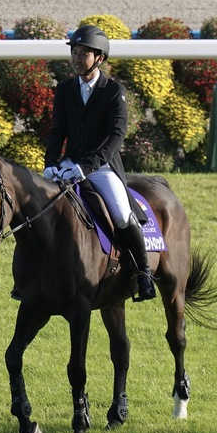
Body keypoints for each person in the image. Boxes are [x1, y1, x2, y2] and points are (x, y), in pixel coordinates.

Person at [43, 24, 155, 301]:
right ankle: (33, 275)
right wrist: (50, 163)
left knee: (120, 214)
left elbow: (116, 137)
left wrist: (87, 166)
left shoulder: (114, 92)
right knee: (39, 207)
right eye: (75, 52)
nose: (77, 59)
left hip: (102, 168)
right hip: (68, 166)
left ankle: (144, 274)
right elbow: (58, 130)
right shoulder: (66, 89)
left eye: (83, 53)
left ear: (100, 58)